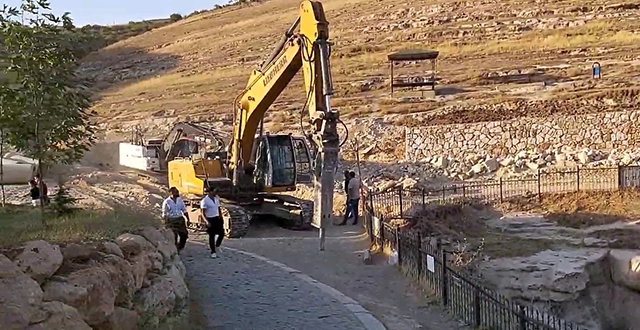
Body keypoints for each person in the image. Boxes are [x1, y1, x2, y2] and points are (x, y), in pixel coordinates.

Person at [161, 187, 190, 252]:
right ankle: (175, 251)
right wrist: (165, 223)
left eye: (177, 191)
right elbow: (164, 213)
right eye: (175, 192)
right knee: (174, 236)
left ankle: (180, 247)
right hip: (171, 220)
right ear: (171, 193)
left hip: (180, 219)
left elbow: (184, 210)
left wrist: (188, 219)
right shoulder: (166, 202)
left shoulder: (180, 200)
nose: (177, 193)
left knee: (184, 234)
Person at [200, 187, 224, 259]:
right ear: (209, 192)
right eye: (214, 191)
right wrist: (206, 221)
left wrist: (220, 216)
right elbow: (202, 213)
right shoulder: (205, 201)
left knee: (221, 233)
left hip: (217, 218)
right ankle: (213, 251)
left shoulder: (216, 199)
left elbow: (218, 208)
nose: (215, 192)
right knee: (212, 236)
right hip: (210, 219)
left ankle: (217, 246)